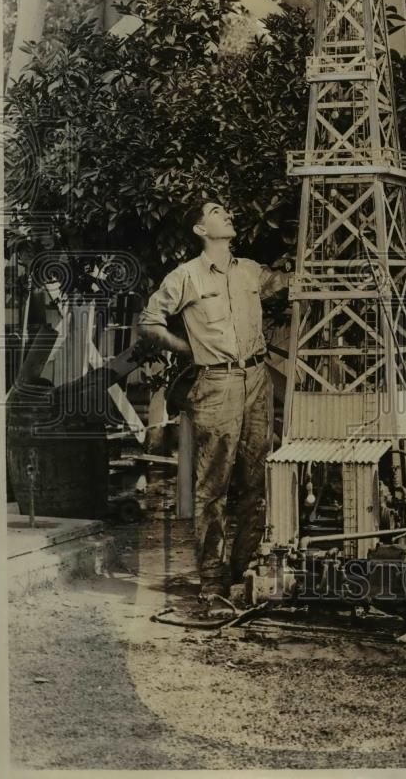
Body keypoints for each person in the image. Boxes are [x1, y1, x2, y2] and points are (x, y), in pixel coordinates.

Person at [137, 199, 290, 598]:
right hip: (215, 385)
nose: (228, 213)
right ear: (200, 230)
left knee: (256, 482)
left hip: (257, 380)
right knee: (213, 486)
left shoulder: (252, 271)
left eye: (227, 209)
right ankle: (210, 579)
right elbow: (149, 322)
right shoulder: (185, 276)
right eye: (217, 211)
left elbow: (295, 283)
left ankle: (240, 575)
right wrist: (188, 349)